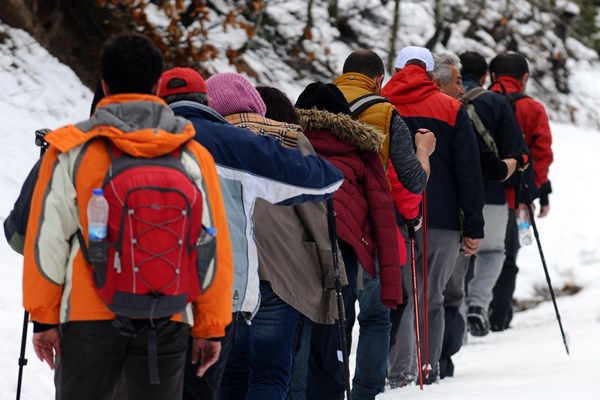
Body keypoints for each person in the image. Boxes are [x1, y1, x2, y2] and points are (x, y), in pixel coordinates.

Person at [21, 33, 234, 400]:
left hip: (88, 317)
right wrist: (210, 326)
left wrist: (44, 318)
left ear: (104, 84)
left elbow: (48, 241)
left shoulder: (72, 150)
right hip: (167, 314)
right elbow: (212, 243)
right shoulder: (193, 156)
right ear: (157, 86)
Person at [157, 68, 344, 400]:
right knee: (270, 371)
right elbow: (321, 198)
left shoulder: (148, 141)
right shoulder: (267, 140)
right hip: (268, 279)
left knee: (226, 372)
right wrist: (333, 273)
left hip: (178, 278)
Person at [330, 49, 435, 399]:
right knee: (374, 318)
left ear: (343, 74)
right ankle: (365, 392)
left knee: (332, 318)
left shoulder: (312, 104)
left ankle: (331, 387)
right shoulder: (386, 113)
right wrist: (424, 150)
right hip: (373, 228)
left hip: (325, 226)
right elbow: (413, 180)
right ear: (378, 80)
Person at [382, 46, 485, 386]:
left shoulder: (380, 104)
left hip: (392, 216)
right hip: (440, 219)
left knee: (401, 297)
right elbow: (468, 172)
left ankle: (399, 372)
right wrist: (473, 224)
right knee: (432, 297)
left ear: (395, 68)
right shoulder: (451, 108)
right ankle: (428, 367)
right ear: (430, 75)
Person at [292, 81, 401, 400]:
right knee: (335, 332)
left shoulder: (284, 145)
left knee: (297, 332)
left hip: (294, 250)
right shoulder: (362, 150)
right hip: (346, 253)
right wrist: (390, 286)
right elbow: (383, 216)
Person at [434, 51, 531, 376]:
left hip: (448, 201)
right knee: (492, 251)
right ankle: (477, 303)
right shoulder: (496, 103)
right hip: (492, 194)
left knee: (455, 263)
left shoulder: (439, 102)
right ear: (486, 76)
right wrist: (523, 182)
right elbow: (517, 150)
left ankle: (458, 315)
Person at [488, 52, 553, 332]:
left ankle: (468, 314)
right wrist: (535, 193)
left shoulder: (476, 102)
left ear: (491, 76)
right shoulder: (533, 108)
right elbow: (542, 153)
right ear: (524, 78)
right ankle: (499, 319)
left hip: (478, 194)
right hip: (514, 197)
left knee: (474, 255)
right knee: (507, 257)